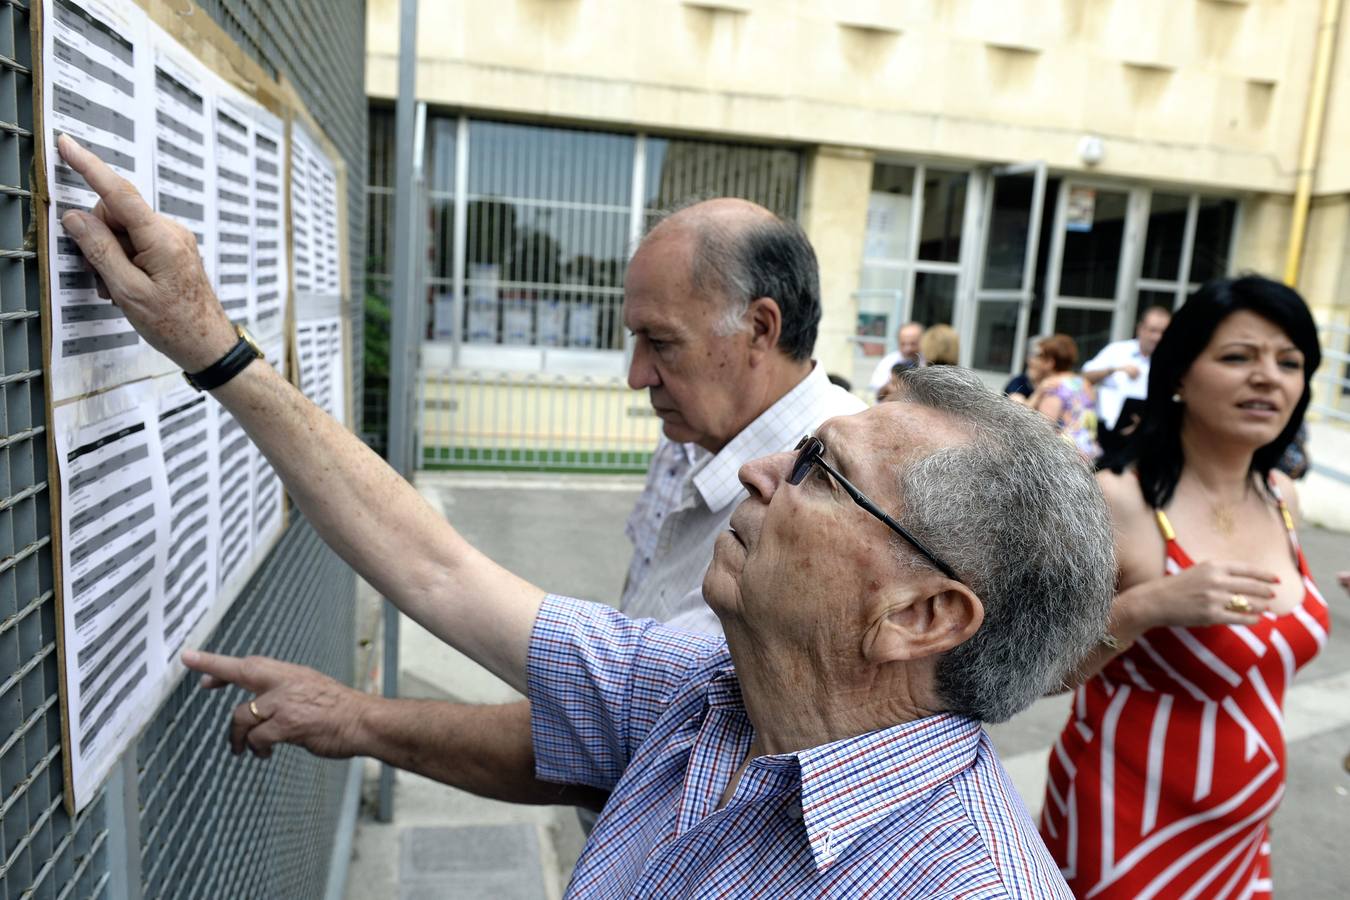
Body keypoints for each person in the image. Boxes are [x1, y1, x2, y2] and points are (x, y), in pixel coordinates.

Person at [60, 135, 1116, 897]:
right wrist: (213, 345)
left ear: (921, 615)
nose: (758, 478)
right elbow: (440, 572)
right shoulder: (714, 693)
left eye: (814, 475)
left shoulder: (955, 883)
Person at [1039, 276, 1330, 899]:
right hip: (1124, 825)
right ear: (1178, 373)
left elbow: (1264, 671)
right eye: (1237, 356)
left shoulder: (1282, 497)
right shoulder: (1117, 497)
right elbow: (1035, 673)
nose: (1268, 377)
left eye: (1289, 362)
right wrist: (1148, 606)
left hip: (1244, 832)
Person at [1082, 305, 1172, 456]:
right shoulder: (1118, 351)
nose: (1158, 337)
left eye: (1163, 332)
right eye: (1153, 330)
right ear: (1140, 329)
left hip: (1147, 434)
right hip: (1106, 432)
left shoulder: (1170, 360)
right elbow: (1085, 377)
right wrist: (1115, 369)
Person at [1025, 333, 1100, 460]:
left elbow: (1042, 428)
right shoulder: (1084, 383)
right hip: (1087, 452)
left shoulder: (1053, 386)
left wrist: (1037, 394)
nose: (1035, 360)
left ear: (1050, 362)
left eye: (1040, 357)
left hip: (1064, 457)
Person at [865, 320, 923, 397]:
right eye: (903, 344)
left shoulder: (929, 360)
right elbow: (875, 390)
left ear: (922, 342)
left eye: (913, 344)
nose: (907, 349)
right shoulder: (888, 362)